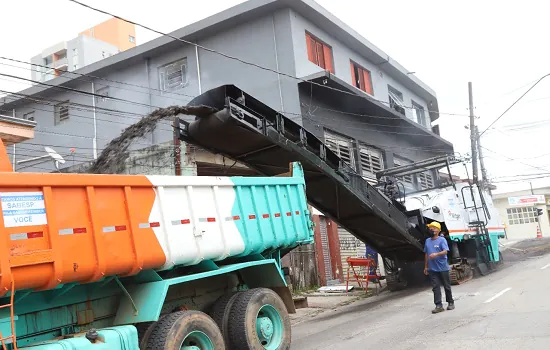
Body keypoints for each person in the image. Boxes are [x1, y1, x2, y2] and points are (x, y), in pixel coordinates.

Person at [424, 221, 455, 313]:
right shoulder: (427, 241)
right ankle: (438, 305)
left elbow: (445, 251)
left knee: (446, 286)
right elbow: (426, 254)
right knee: (435, 287)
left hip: (443, 268)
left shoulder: (442, 240)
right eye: (430, 228)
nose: (431, 229)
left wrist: (436, 254)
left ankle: (450, 302)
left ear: (438, 230)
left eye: (433, 228)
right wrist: (426, 267)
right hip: (432, 269)